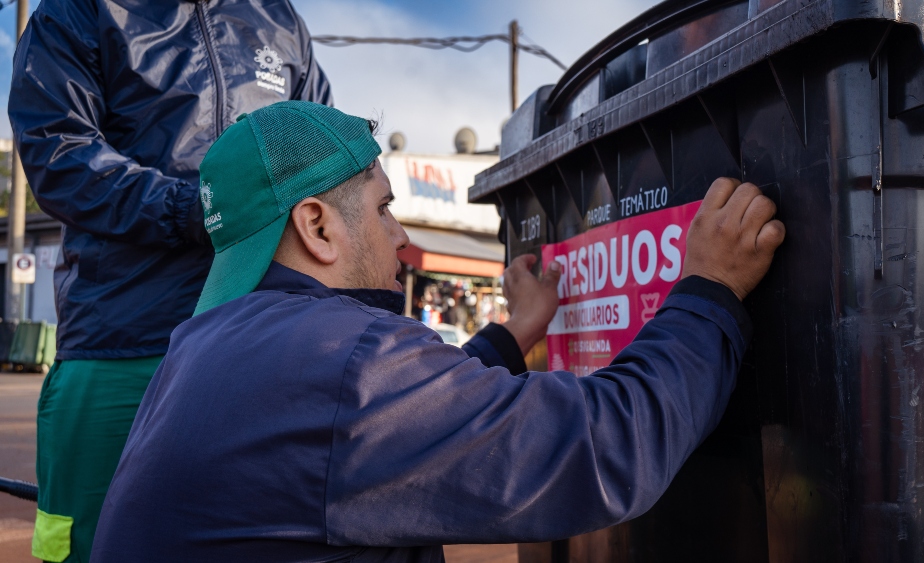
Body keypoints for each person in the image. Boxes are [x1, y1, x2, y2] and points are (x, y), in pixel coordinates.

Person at [91, 101, 785, 562]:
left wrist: (516, 331)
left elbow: (397, 420)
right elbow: (607, 447)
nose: (401, 236)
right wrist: (708, 288)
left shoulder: (205, 346)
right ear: (317, 226)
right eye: (385, 208)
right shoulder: (339, 359)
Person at [8, 2, 332, 561]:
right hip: (120, 341)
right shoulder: (80, 9)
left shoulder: (278, 19)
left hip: (262, 347)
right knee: (91, 546)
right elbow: (58, 149)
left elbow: (323, 151)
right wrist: (196, 210)